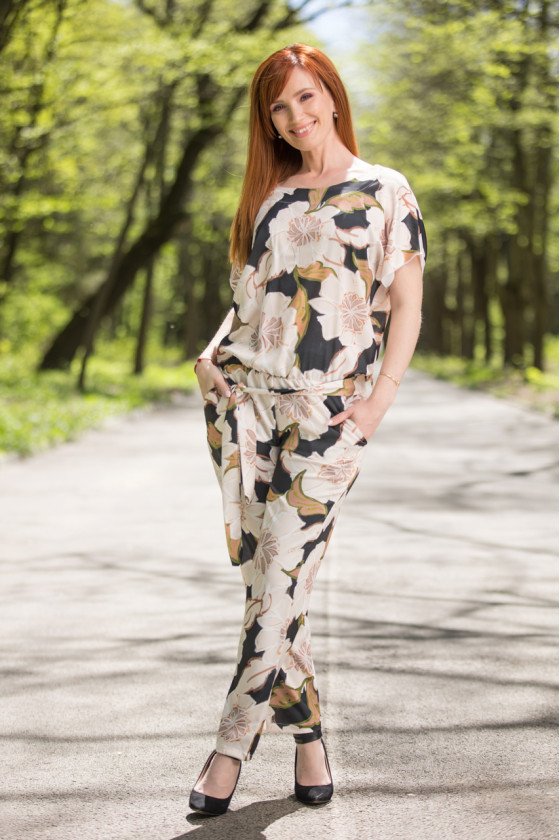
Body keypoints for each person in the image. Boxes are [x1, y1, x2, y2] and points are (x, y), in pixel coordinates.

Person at [188, 42, 427, 816]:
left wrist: (379, 401)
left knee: (280, 577)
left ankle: (229, 748)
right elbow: (251, 298)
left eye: (305, 96)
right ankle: (310, 738)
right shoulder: (269, 196)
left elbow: (407, 305)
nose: (295, 116)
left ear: (331, 94)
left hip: (328, 416)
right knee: (273, 586)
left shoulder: (385, 190)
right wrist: (210, 352)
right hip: (246, 408)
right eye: (279, 108)